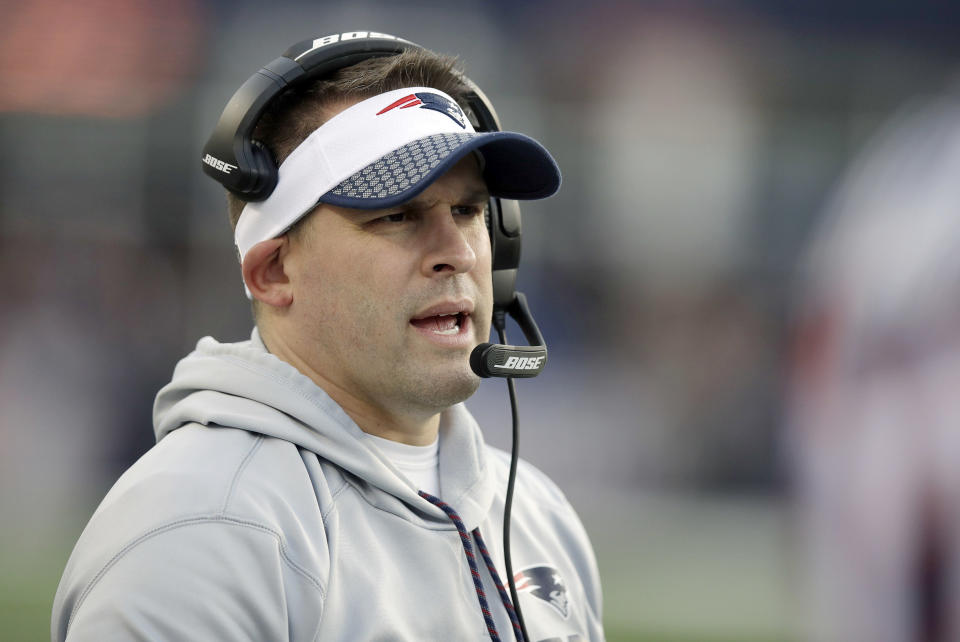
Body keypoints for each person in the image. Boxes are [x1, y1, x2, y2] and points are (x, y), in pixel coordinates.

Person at [51, 34, 604, 641]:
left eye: (469, 211)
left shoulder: (536, 516)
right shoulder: (203, 532)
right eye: (397, 215)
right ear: (274, 272)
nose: (456, 253)